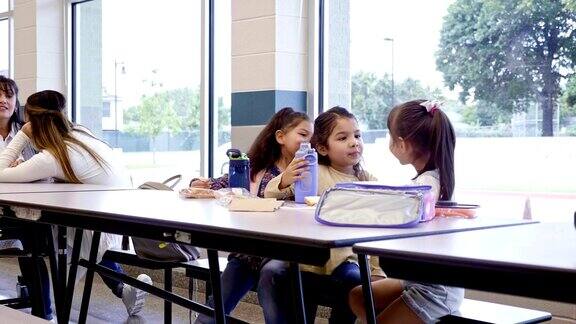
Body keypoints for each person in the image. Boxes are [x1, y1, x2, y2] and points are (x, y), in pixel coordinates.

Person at [0, 90, 153, 318]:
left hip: (100, 220)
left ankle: (46, 312)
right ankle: (120, 289)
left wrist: (22, 134)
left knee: (35, 234)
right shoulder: (79, 133)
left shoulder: (53, 156)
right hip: (119, 216)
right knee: (45, 233)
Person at [263, 106, 384, 324]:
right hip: (308, 260)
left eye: (357, 136)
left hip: (347, 260)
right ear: (322, 147)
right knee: (288, 282)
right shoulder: (314, 171)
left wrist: (376, 270)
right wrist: (286, 178)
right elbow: (271, 194)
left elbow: (375, 229)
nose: (354, 142)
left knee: (355, 282)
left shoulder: (369, 181)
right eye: (343, 137)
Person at [193, 107, 313, 323]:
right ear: (280, 137)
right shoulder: (257, 167)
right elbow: (223, 184)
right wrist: (203, 184)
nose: (308, 142)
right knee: (216, 308)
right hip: (250, 252)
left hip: (282, 253)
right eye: (303, 135)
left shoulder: (311, 171)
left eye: (312, 138)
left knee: (271, 279)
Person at [348, 99, 463, 323]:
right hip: (418, 280)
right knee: (358, 296)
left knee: (366, 304)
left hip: (434, 290)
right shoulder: (430, 179)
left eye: (391, 137)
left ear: (402, 144)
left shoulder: (426, 187)